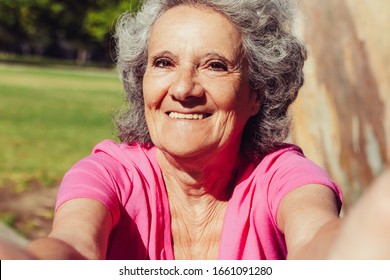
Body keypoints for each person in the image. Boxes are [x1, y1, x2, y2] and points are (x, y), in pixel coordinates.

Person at [0, 0, 389, 260]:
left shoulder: (283, 176)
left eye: (215, 65)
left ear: (257, 93)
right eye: (165, 63)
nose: (184, 89)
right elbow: (71, 247)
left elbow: (318, 242)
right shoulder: (107, 174)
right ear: (142, 81)